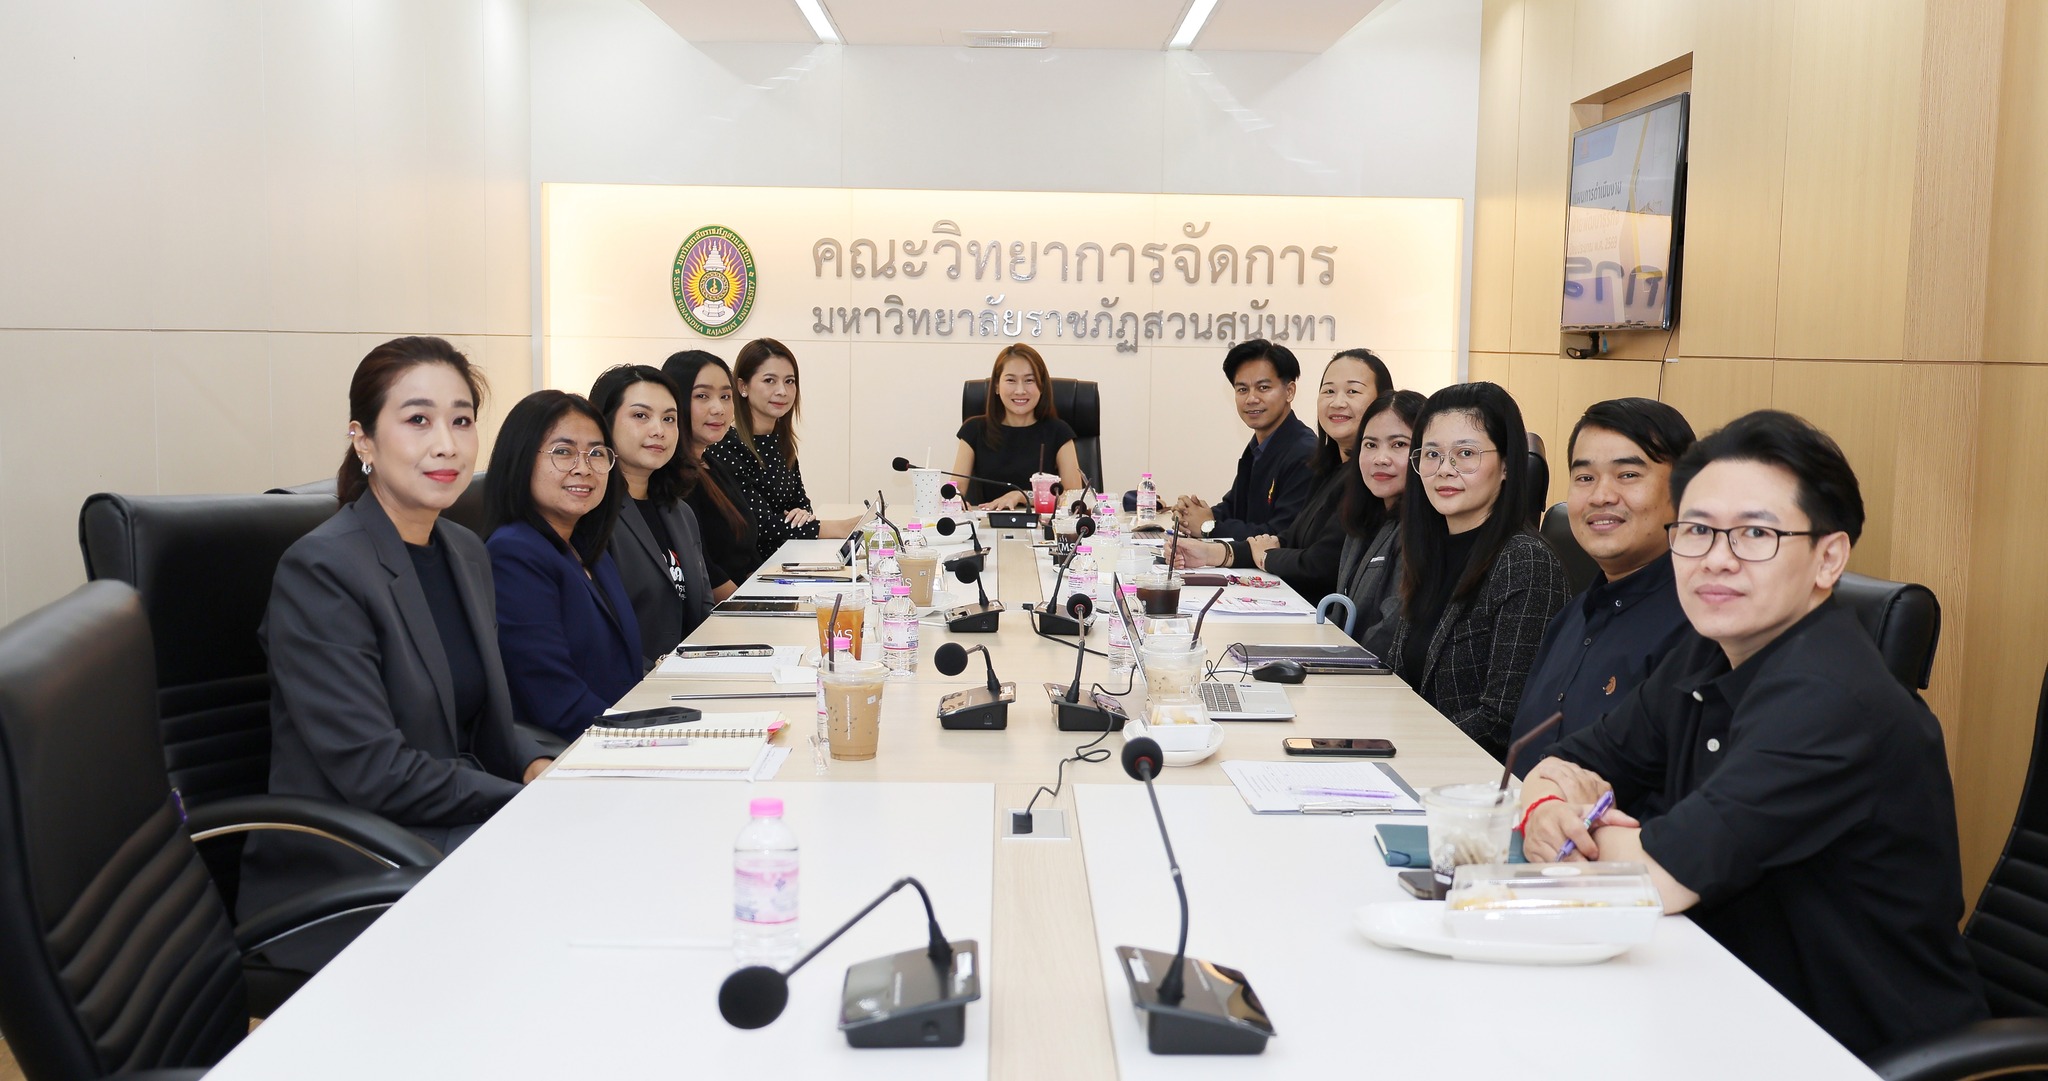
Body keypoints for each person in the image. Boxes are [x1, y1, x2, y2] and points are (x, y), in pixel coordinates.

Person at [1519, 410, 1986, 1058]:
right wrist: (1546, 805)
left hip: (1852, 1049)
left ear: (1828, 557)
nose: (1717, 559)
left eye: (1756, 534)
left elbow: (1658, 877)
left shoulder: (1833, 701)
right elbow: (1564, 759)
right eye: (1697, 530)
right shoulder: (1708, 650)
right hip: (1719, 1001)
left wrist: (1579, 829)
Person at [246, 336, 550, 918]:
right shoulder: (322, 570)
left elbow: (479, 718)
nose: (447, 444)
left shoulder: (464, 550)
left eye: (462, 421)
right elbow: (374, 772)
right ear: (363, 439)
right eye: (418, 420)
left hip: (449, 826)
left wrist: (536, 765)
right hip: (359, 860)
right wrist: (523, 798)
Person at [1387, 381, 1570, 758]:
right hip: (1414, 758)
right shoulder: (1431, 548)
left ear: (1506, 466)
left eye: (1465, 453)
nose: (1444, 470)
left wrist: (1400, 746)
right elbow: (1399, 676)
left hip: (1470, 777)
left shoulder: (1525, 562)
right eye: (1432, 454)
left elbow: (1501, 721)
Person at [1510, 398, 1696, 759]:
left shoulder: (1698, 630)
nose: (1601, 496)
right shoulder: (1570, 618)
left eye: (1628, 475)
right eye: (1585, 478)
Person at [484, 390, 642, 739]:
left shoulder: (587, 546)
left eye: (596, 453)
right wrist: (642, 736)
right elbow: (555, 701)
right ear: (521, 459)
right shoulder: (513, 554)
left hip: (617, 732)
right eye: (563, 451)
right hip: (575, 750)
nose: (583, 468)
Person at [1172, 350, 1389, 600]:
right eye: (1329, 391)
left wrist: (1213, 530)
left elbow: (1318, 561)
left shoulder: (1366, 474)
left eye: (1352, 391)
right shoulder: (1327, 466)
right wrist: (1210, 549)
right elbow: (1286, 538)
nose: (1337, 402)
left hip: (1321, 611)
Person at [590, 364, 715, 665]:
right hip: (634, 683)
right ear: (604, 424)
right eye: (640, 416)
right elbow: (597, 634)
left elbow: (703, 609)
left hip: (694, 674)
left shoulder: (680, 512)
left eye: (669, 419)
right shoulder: (592, 513)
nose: (659, 430)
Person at [707, 337, 861, 558]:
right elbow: (758, 524)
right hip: (752, 569)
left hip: (789, 557)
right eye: (769, 380)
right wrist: (836, 527)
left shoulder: (780, 442)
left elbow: (803, 506)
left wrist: (800, 516)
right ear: (742, 386)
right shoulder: (725, 446)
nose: (782, 391)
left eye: (789, 381)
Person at [1172, 339, 1317, 540]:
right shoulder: (1259, 446)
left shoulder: (1306, 453)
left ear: (1289, 391)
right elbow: (1235, 507)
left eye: (1263, 387)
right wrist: (1195, 515)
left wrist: (1208, 527)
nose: (1251, 399)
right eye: (1242, 389)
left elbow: (1281, 534)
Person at [1334, 389, 1427, 660]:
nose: (1380, 458)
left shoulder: (1421, 528)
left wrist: (1340, 665)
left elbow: (1390, 633)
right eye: (1370, 445)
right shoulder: (1364, 520)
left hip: (1373, 675)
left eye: (1398, 444)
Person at [662, 349, 760, 592]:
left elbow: (747, 549)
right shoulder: (670, 476)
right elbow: (704, 569)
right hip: (718, 608)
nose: (719, 409)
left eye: (726, 396)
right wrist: (747, 605)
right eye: (702, 396)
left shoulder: (712, 464)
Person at [952, 343, 1086, 509]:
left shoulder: (1059, 432)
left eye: (1029, 380)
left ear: (1042, 386)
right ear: (996, 386)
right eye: (1011, 380)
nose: (1020, 390)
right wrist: (955, 499)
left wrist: (1022, 495)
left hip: (1042, 524)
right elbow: (955, 490)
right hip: (986, 523)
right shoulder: (973, 430)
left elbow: (1073, 496)